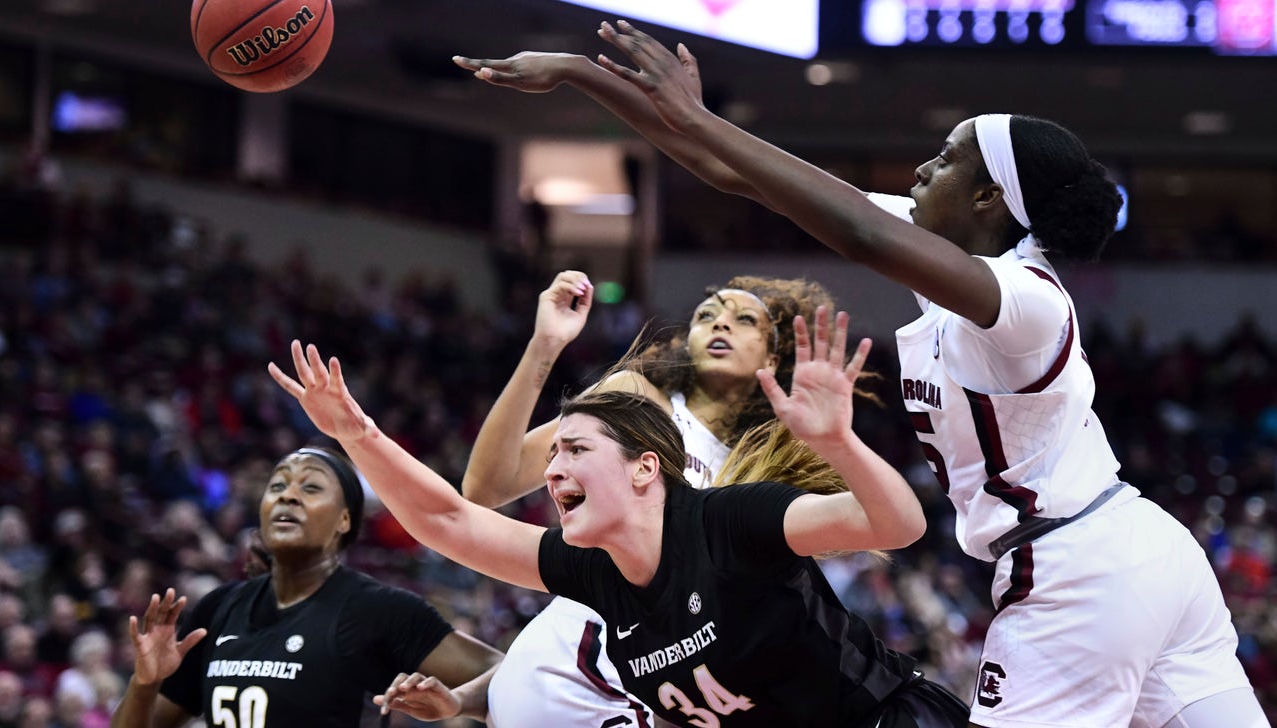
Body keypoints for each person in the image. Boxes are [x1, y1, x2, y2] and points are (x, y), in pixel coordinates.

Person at [455, 21, 1267, 728]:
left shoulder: (1028, 299)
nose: (922, 167)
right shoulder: (961, 264)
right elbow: (738, 175)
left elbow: (858, 234)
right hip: (1144, 551)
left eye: (946, 159)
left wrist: (695, 113)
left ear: (989, 198)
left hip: (1076, 567)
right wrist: (583, 74)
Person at [267, 309, 970, 727]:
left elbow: (898, 526)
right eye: (555, 452)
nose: (551, 469)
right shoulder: (594, 576)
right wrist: (357, 433)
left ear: (643, 468)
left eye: (574, 449)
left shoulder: (730, 522)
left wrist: (839, 443)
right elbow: (451, 519)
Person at [460, 269, 842, 726]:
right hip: (569, 659)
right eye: (707, 315)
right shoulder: (640, 401)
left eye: (743, 320)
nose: (720, 324)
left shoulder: (766, 469)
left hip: (660, 694)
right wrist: (545, 345)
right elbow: (487, 487)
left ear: (774, 355)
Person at [108, 445, 502, 728]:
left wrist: (458, 704)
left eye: (310, 488)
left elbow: (509, 673)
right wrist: (145, 682)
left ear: (345, 520)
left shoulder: (380, 611)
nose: (288, 496)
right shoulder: (218, 609)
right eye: (277, 487)